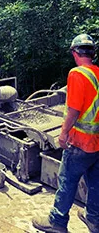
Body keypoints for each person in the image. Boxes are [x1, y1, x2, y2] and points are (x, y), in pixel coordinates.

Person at [32, 34, 99, 233]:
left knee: (67, 181)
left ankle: (57, 221)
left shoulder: (77, 74)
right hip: (97, 143)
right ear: (92, 53)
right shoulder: (98, 73)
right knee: (95, 183)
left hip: (80, 142)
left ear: (74, 53)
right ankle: (94, 220)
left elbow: (74, 110)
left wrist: (63, 133)